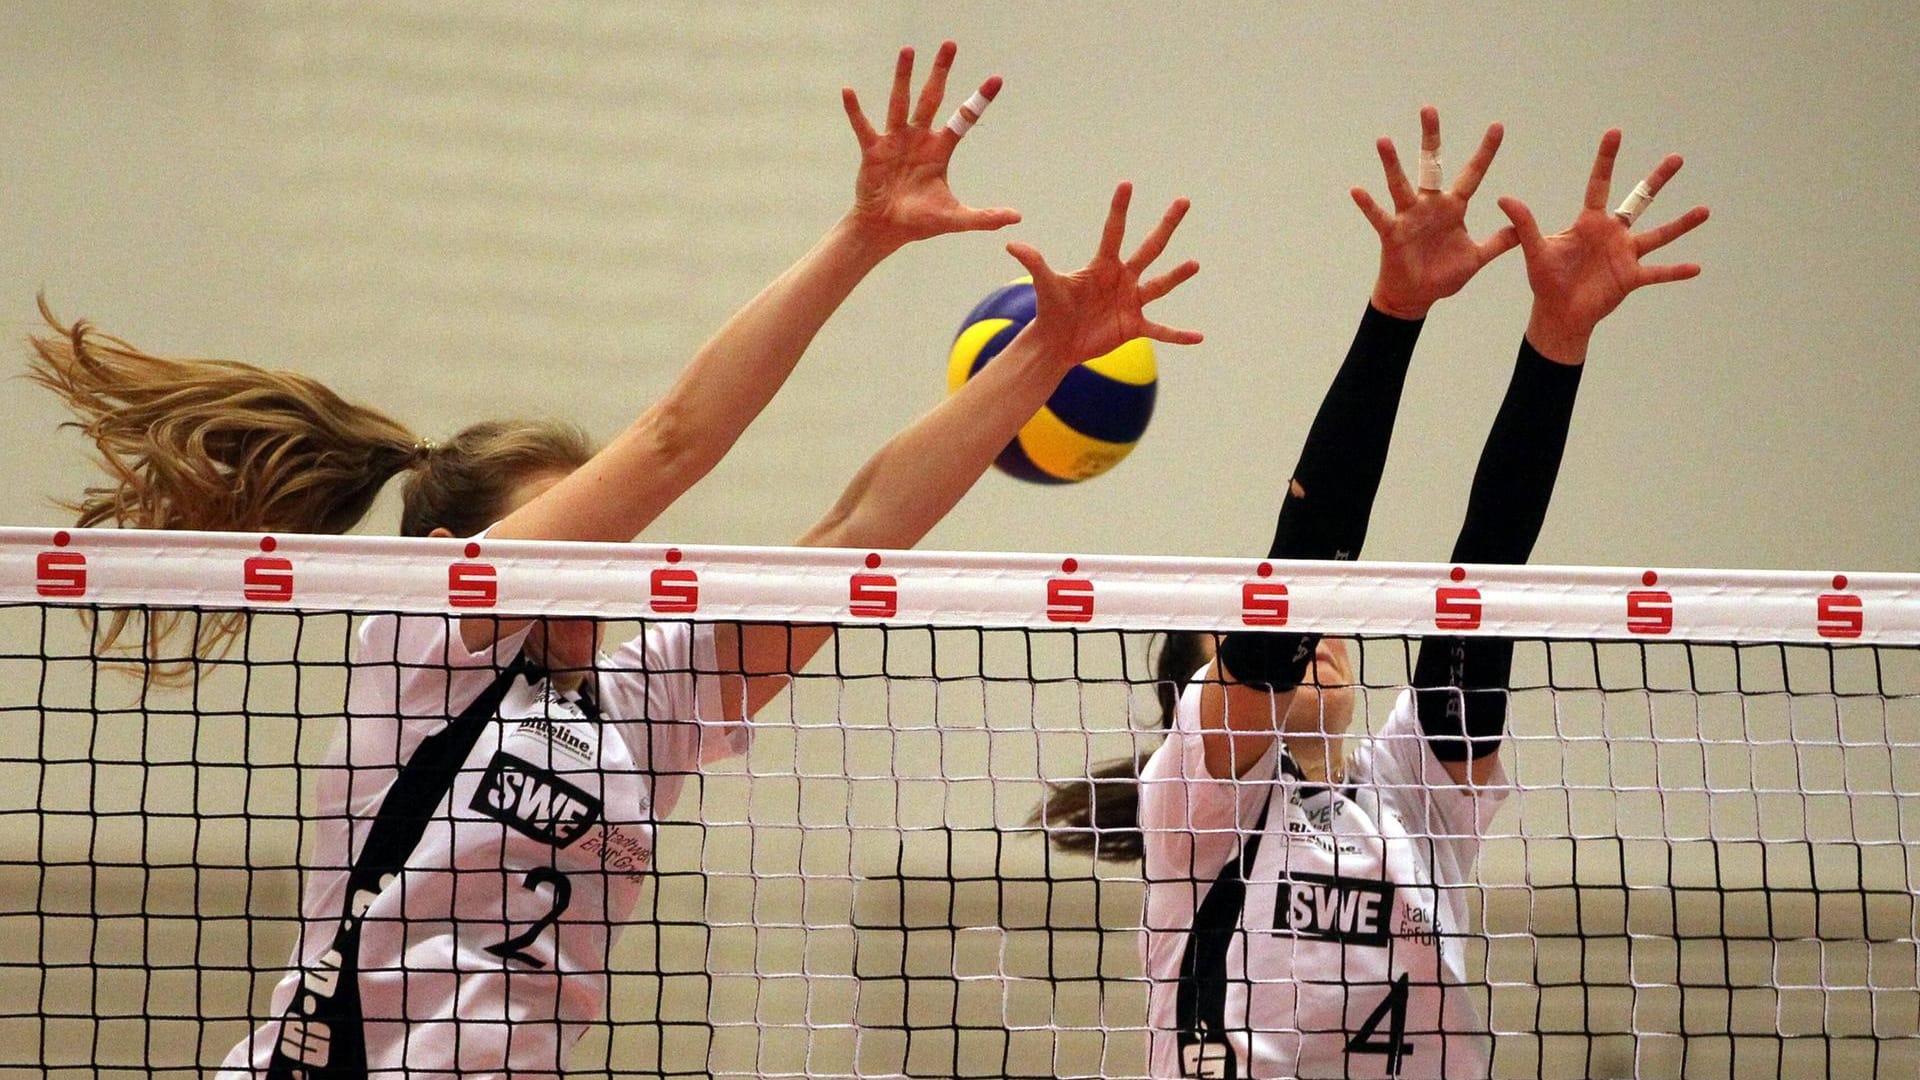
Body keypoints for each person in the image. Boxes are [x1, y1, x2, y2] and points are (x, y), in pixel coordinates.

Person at [29, 43, 1202, 1079]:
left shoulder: (645, 705)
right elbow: (674, 442)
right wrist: (862, 238)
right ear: (457, 560)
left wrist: (1045, 354)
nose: (606, 571)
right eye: (578, 543)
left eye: (614, 550)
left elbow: (856, 537)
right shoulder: (431, 641)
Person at [1035, 112, 1708, 1078]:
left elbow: (1486, 579)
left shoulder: (1409, 799)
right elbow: (1305, 564)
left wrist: (1557, 341)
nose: (1315, 637)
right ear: (1202, 694)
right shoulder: (1201, 806)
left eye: (1319, 629)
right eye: (1249, 644)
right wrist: (1395, 313)